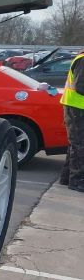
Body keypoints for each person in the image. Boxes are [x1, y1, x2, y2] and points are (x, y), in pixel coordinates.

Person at [60, 49, 84, 193]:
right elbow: (80, 87)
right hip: (77, 108)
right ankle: (77, 181)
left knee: (75, 144)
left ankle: (67, 177)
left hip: (76, 107)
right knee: (80, 145)